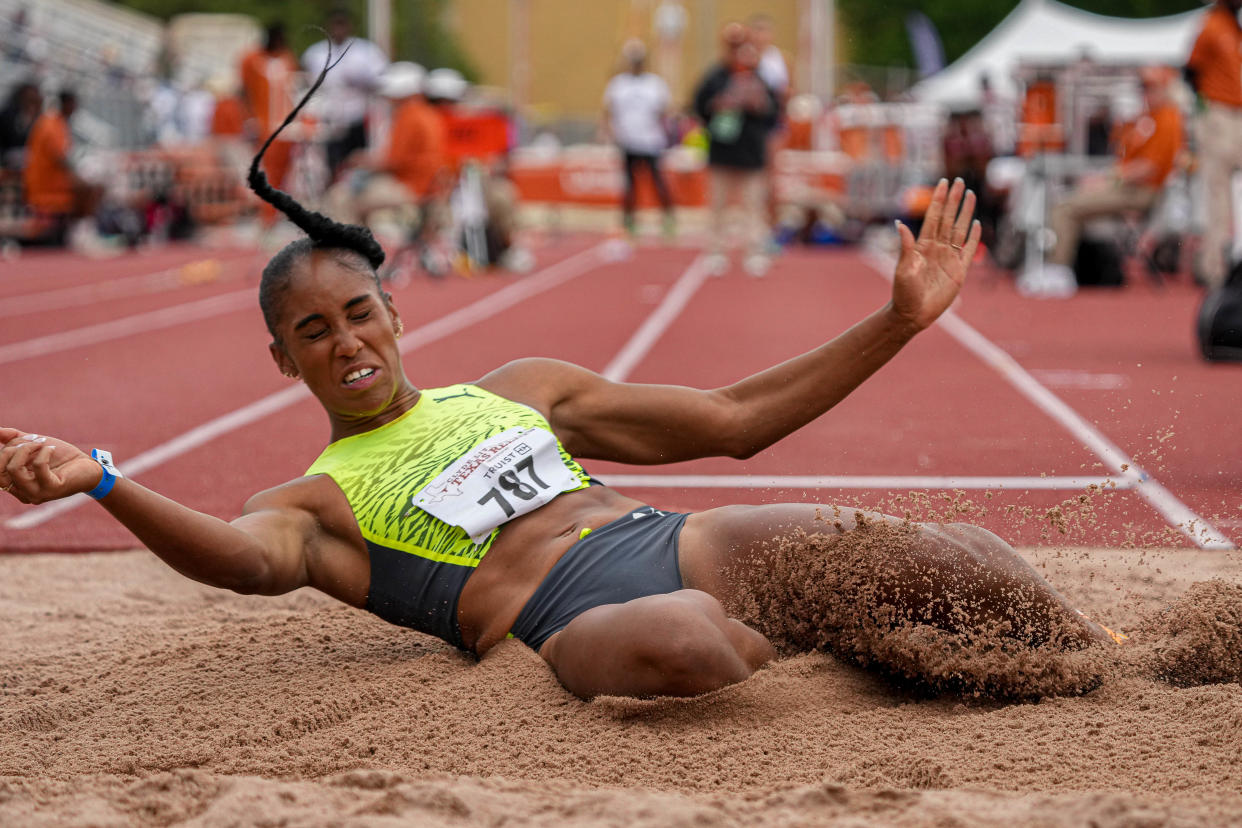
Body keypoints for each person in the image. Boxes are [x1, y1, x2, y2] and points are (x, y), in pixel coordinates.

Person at [0, 66, 1122, 703]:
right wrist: (106, 481)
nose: (344, 342)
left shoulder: (521, 388)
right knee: (683, 644)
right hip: (553, 612)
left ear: (396, 314)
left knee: (959, 556)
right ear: (281, 359)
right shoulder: (311, 504)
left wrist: (896, 323)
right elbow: (242, 566)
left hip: (665, 539)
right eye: (310, 331)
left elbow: (734, 422)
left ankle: (1109, 670)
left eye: (357, 313)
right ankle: (825, 662)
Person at [1019, 67, 1183, 297]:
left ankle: (1059, 269)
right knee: (1066, 201)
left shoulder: (1168, 118)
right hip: (1130, 187)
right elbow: (1123, 153)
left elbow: (1149, 168)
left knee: (1066, 207)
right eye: (1143, 87)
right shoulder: (1147, 118)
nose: (1144, 93)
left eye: (1150, 87)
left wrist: (1109, 180)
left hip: (1141, 191)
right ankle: (1056, 266)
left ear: (1165, 87)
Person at [692, 23, 780, 277]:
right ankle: (715, 252)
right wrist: (716, 106)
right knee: (718, 206)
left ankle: (754, 252)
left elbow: (773, 114)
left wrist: (758, 105)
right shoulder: (715, 76)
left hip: (751, 153)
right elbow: (698, 106)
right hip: (722, 151)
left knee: (753, 206)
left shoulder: (760, 78)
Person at [322, 61, 447, 236]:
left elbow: (393, 162)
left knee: (340, 197)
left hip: (411, 187)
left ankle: (352, 252)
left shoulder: (410, 115)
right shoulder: (429, 114)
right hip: (425, 186)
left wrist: (360, 161)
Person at [1185, 0, 1242, 289]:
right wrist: (1204, 110)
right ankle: (1215, 268)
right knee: (1217, 193)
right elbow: (1191, 71)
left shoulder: (1232, 25)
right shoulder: (1212, 24)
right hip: (1219, 112)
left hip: (1236, 113)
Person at [302, 6, 389, 180]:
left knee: (357, 164)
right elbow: (303, 81)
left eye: (342, 24)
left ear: (350, 26)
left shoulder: (367, 51)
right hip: (328, 119)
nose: (338, 29)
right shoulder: (315, 53)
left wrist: (362, 80)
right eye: (335, 25)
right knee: (329, 164)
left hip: (358, 117)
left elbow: (383, 81)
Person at [603, 39, 676, 239]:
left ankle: (668, 219)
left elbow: (664, 111)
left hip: (651, 142)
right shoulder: (618, 84)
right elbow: (608, 112)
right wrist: (611, 133)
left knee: (658, 182)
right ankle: (629, 221)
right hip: (627, 142)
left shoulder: (655, 84)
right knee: (628, 185)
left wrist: (666, 134)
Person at [21, 90, 102, 242]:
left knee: (92, 185)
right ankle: (81, 230)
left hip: (53, 178)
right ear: (66, 104)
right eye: (73, 104)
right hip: (46, 182)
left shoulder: (59, 123)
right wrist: (77, 176)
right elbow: (59, 158)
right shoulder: (51, 124)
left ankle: (80, 228)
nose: (75, 109)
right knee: (89, 188)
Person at [240, 24, 299, 227]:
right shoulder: (251, 59)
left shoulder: (287, 58)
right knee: (268, 171)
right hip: (264, 124)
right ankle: (267, 217)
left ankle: (277, 213)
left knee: (284, 171)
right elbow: (244, 90)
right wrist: (249, 118)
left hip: (286, 125)